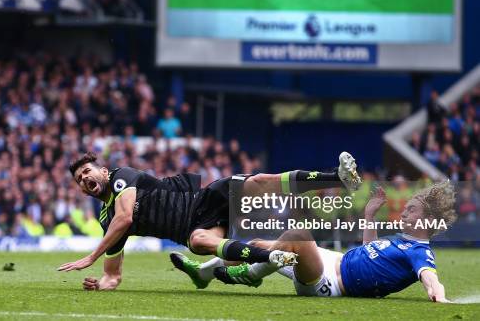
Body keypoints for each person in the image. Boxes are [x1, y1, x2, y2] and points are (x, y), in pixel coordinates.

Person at [57, 151, 362, 291]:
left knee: (261, 181)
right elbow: (114, 274)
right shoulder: (104, 218)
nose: (84, 179)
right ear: (81, 189)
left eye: (87, 172)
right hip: (194, 228)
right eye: (79, 179)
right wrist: (102, 283)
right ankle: (271, 257)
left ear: (102, 171)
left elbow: (125, 218)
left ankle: (337, 177)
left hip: (205, 199)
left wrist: (90, 257)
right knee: (201, 243)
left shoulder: (121, 177)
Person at [203, 182, 455, 303]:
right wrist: (369, 215)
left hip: (330, 283)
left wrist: (439, 297)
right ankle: (204, 272)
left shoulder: (419, 251)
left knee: (298, 236)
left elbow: (430, 277)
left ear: (428, 220)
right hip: (334, 260)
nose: (403, 213)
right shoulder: (400, 240)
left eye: (411, 210)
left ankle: (252, 274)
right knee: (260, 243)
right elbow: (369, 251)